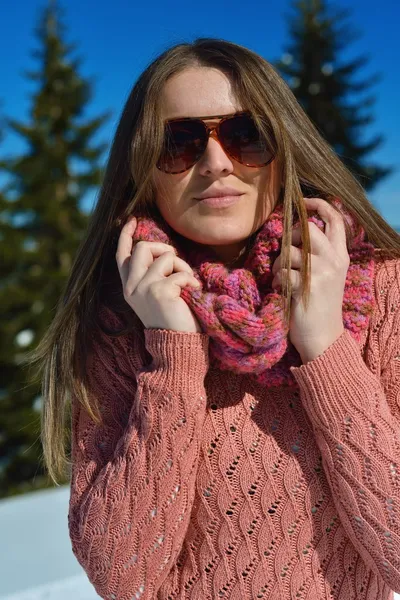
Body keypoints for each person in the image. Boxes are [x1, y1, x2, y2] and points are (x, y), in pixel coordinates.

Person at [29, 39, 400, 599]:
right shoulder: (117, 322)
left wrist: (326, 350)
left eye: (246, 134)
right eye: (178, 143)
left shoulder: (383, 292)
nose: (217, 162)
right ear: (142, 168)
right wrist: (173, 358)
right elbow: (120, 577)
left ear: (286, 148)